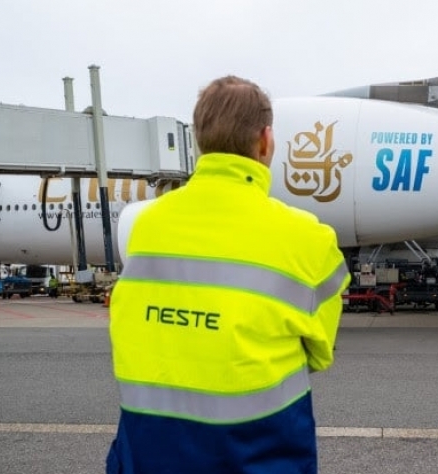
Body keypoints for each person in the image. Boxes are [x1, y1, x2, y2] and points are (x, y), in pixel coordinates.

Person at [106, 75, 350, 474]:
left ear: (199, 141)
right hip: (258, 457)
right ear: (266, 140)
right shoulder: (311, 239)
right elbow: (320, 352)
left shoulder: (144, 226)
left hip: (147, 457)